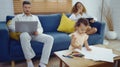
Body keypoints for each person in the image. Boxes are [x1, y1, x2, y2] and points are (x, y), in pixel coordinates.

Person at [8, 1, 54, 67]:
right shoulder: (18, 17)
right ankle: (29, 61)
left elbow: (40, 28)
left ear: (30, 8)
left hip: (34, 34)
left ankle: (42, 63)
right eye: (25, 7)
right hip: (25, 35)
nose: (27, 9)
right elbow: (10, 26)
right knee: (24, 35)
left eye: (29, 7)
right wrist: (19, 29)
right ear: (23, 8)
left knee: (50, 38)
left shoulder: (35, 17)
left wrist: (38, 31)